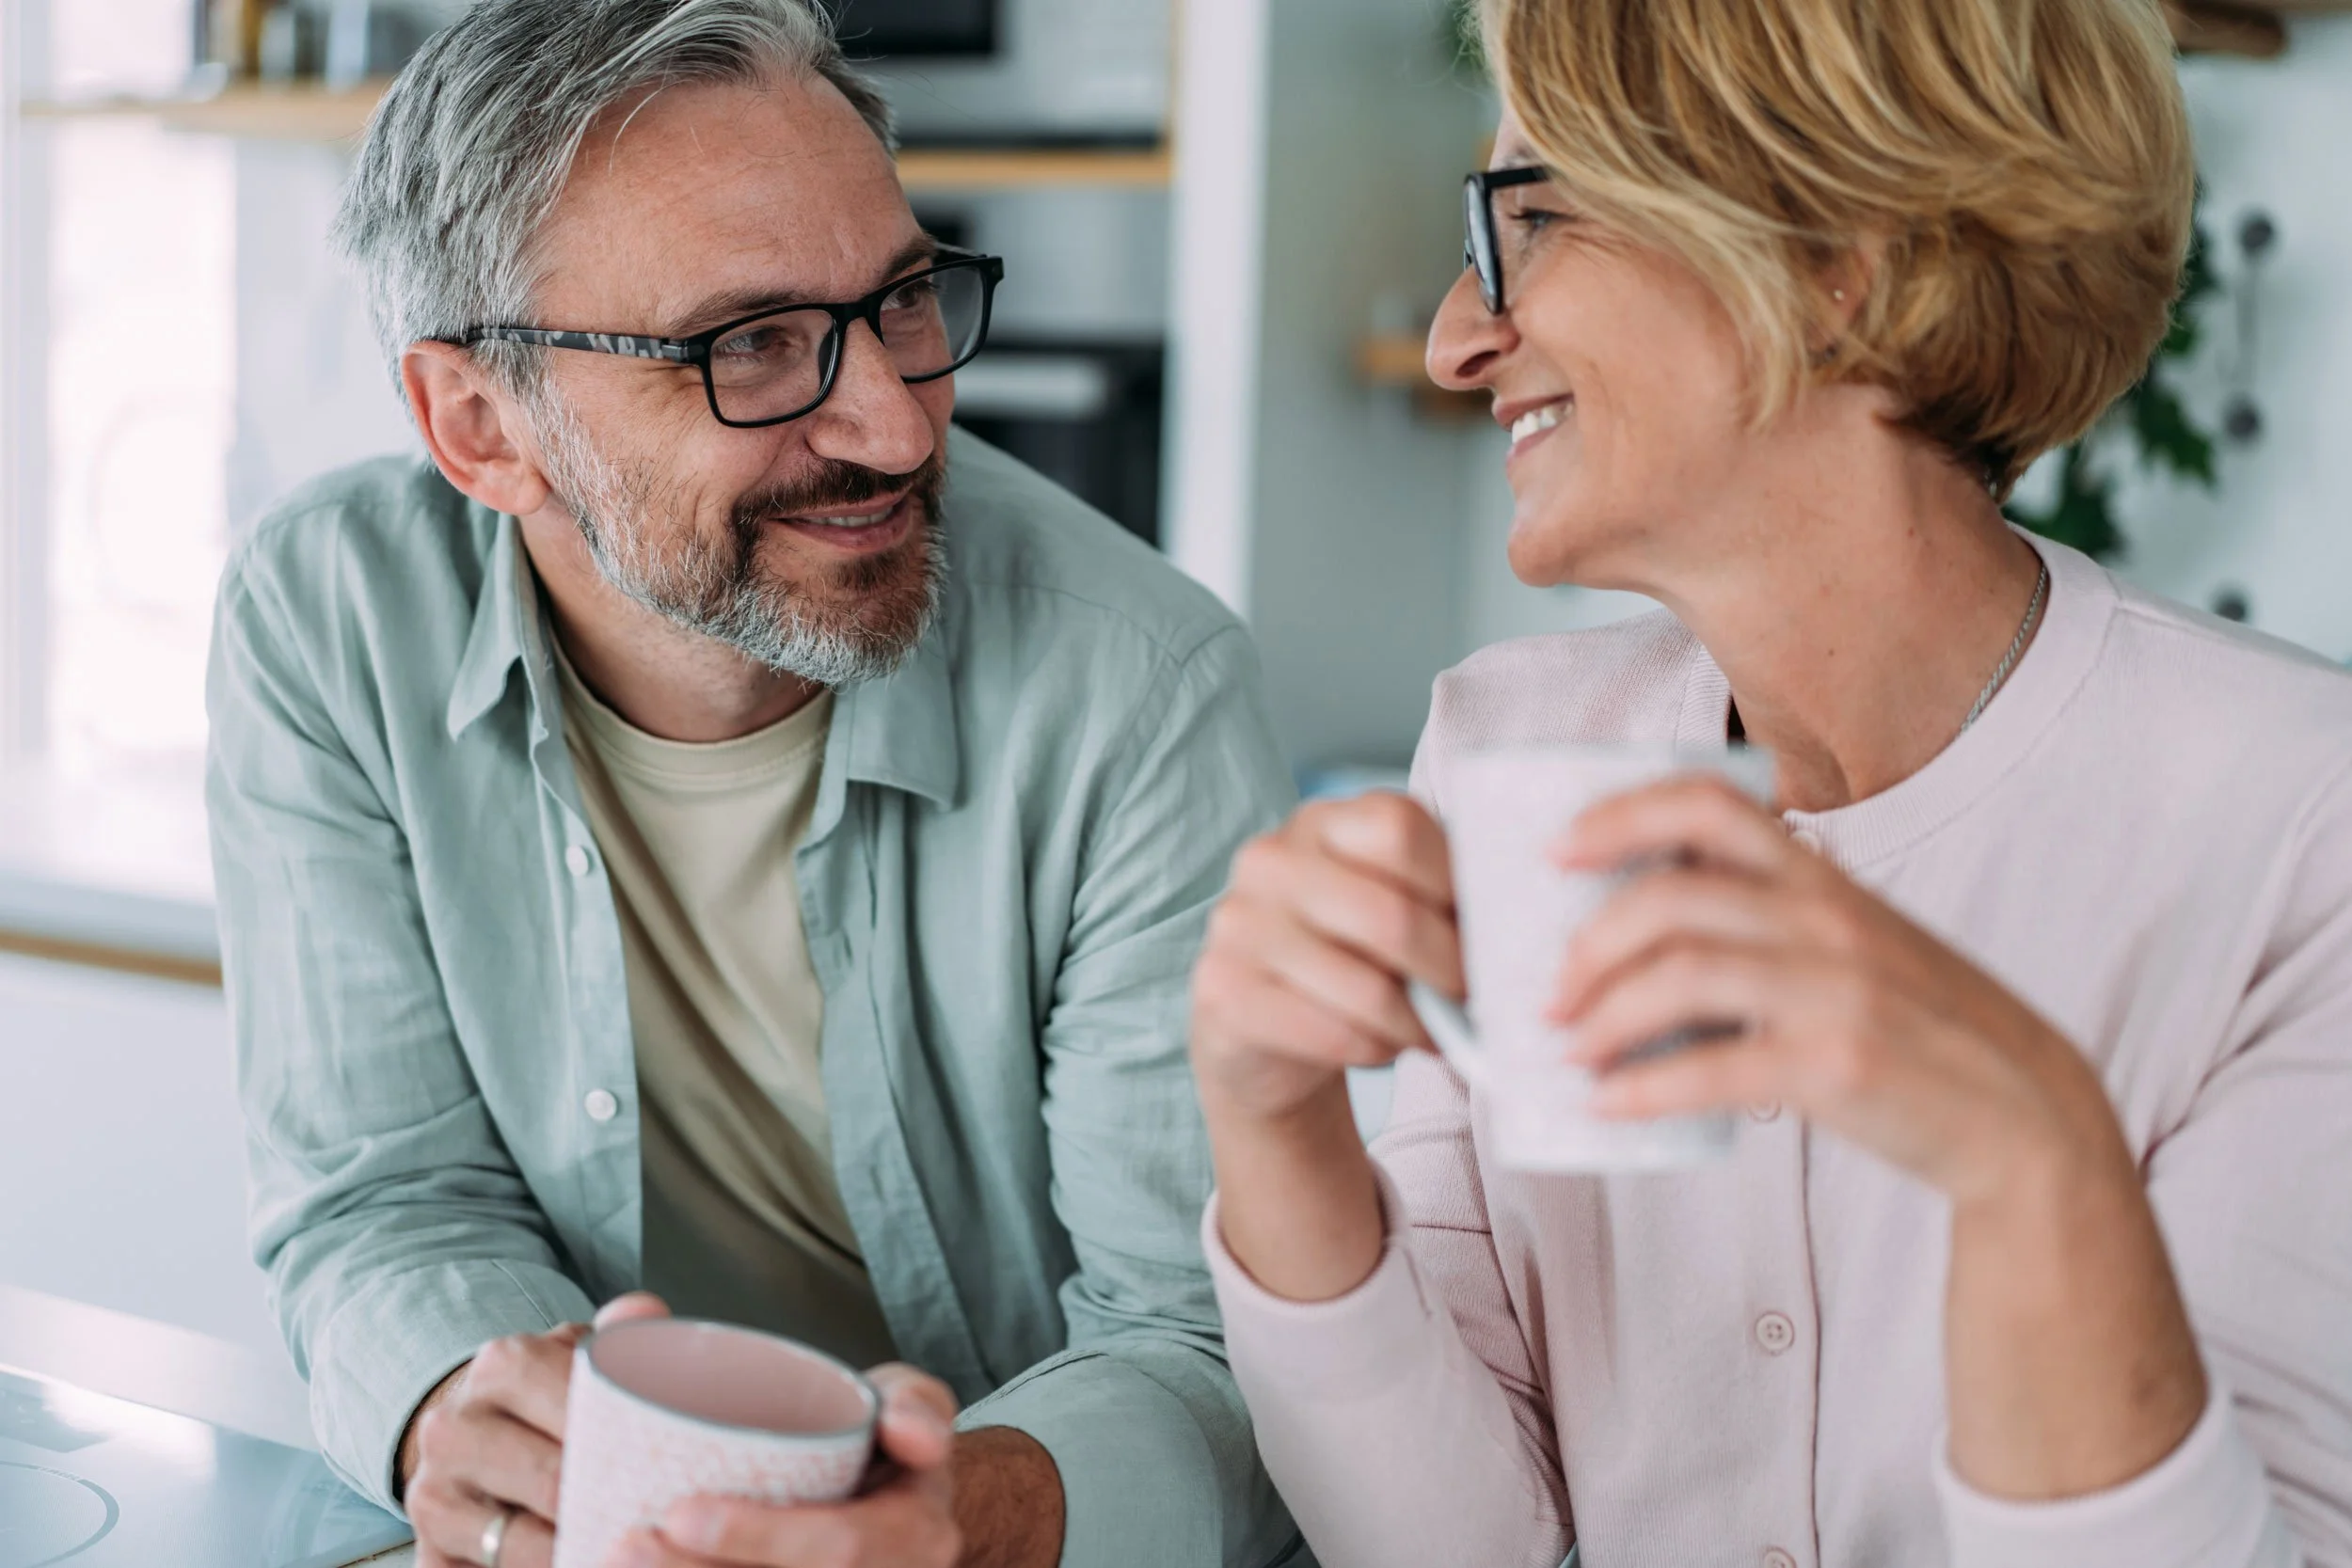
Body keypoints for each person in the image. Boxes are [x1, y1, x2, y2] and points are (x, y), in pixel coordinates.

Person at [1187, 0, 2352, 1564]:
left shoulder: (2302, 830)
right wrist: (1273, 1127)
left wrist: (2032, 1162)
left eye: (1522, 223)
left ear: (1832, 261)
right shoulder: (1503, 750)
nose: (1461, 334)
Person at [205, 3, 1303, 1566]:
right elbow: (386, 1200)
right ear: (476, 422)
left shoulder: (1141, 688)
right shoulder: (327, 622)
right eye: (749, 346)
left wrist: (947, 1520)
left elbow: (1211, 1359)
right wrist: (476, 1415)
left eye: (904, 299)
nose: (896, 417)